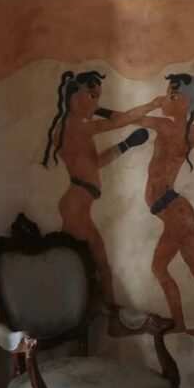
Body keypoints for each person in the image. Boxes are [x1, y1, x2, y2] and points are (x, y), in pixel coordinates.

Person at [41, 70, 161, 302]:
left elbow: (95, 164)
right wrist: (152, 104)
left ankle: (110, 318)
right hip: (76, 205)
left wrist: (126, 144)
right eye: (92, 96)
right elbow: (120, 120)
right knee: (90, 268)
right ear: (75, 97)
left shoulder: (79, 127)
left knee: (97, 266)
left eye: (98, 97)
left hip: (79, 204)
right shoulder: (75, 127)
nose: (97, 102)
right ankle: (101, 316)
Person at [130, 73, 194, 336]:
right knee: (176, 269)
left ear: (188, 103)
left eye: (173, 96)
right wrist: (152, 103)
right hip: (171, 210)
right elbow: (126, 118)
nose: (165, 99)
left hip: (175, 211)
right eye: (166, 93)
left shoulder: (190, 132)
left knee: (179, 270)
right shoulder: (163, 125)